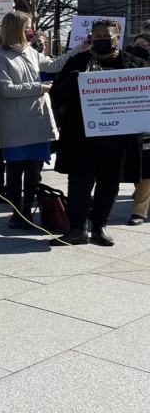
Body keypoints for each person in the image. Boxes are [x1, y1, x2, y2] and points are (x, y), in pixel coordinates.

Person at [50, 19, 147, 246]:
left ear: (117, 36)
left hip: (118, 139)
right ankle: (77, 229)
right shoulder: (77, 61)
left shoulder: (134, 64)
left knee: (110, 184)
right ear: (91, 36)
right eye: (98, 35)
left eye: (107, 36)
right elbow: (58, 95)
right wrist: (69, 84)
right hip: (82, 137)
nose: (102, 39)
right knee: (79, 184)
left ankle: (99, 227)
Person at [0, 10, 87, 230]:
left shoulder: (30, 52)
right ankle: (16, 213)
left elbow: (54, 65)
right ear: (16, 28)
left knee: (34, 169)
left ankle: (27, 210)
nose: (31, 30)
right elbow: (6, 89)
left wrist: (78, 49)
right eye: (28, 26)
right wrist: (38, 88)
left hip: (37, 118)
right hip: (14, 121)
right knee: (14, 169)